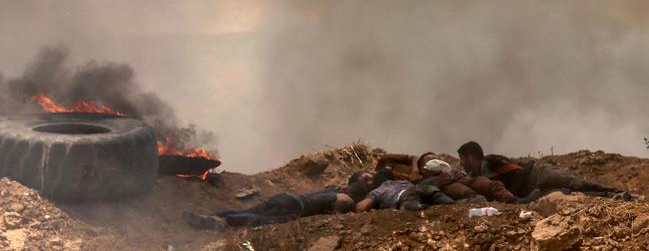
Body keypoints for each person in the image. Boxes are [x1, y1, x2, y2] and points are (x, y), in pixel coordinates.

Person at [457, 141, 637, 202]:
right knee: (575, 195)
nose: (461, 163)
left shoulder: (492, 161)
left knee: (577, 183)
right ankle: (613, 197)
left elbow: (518, 171)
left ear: (472, 157)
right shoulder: (477, 179)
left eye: (463, 159)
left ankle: (620, 193)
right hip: (536, 190)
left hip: (539, 174)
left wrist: (518, 196)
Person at [185, 181, 367, 231]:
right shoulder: (346, 200)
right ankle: (223, 221)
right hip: (295, 207)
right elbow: (337, 215)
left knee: (248, 211)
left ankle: (213, 214)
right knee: (260, 220)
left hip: (286, 197)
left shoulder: (333, 190)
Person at [376, 152, 516, 203]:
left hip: (450, 175)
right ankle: (483, 203)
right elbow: (385, 159)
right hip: (441, 182)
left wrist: (414, 165)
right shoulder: (408, 179)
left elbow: (414, 156)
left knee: (483, 184)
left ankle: (509, 198)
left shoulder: (448, 168)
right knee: (465, 191)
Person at [355, 175, 455, 212]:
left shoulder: (377, 191)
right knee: (453, 206)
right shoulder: (397, 181)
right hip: (424, 188)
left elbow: (361, 207)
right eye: (365, 181)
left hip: (407, 197)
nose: (369, 182)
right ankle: (470, 203)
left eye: (367, 178)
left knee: (429, 212)